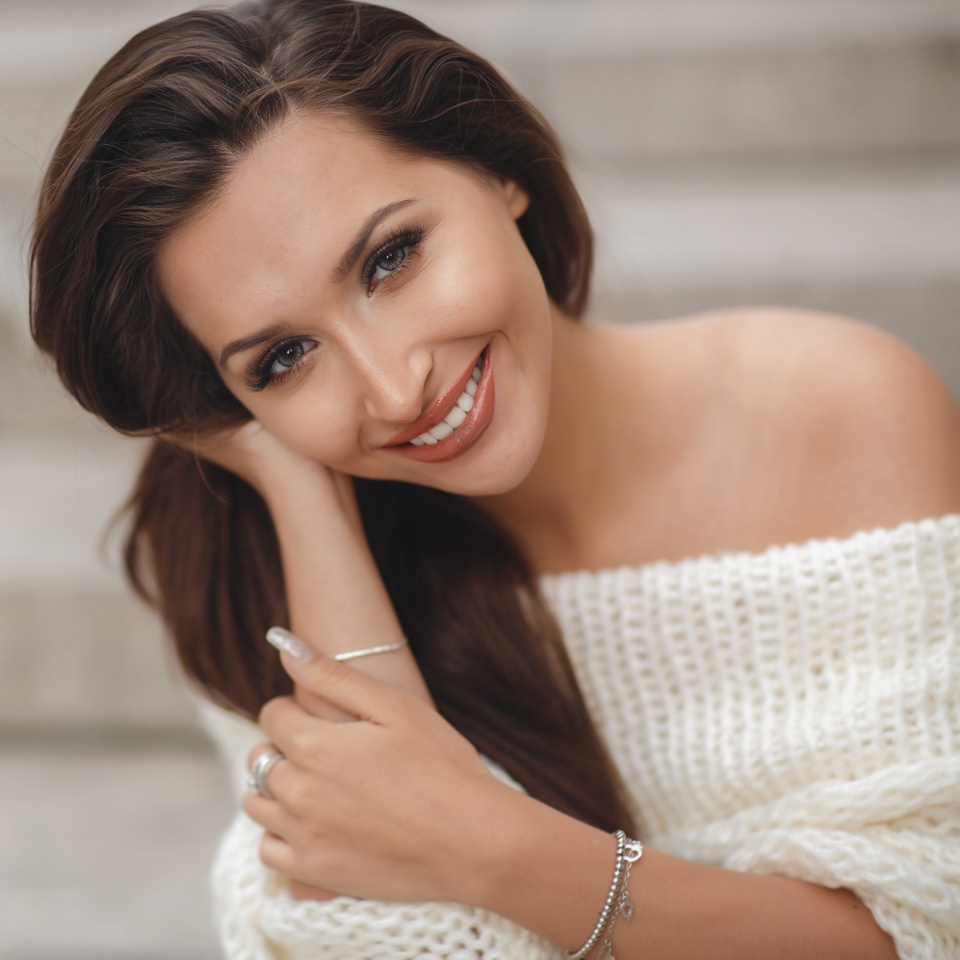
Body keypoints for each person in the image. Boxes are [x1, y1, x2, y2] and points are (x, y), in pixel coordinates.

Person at [29, 1, 960, 957]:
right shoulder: (257, 563)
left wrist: (479, 843)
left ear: (496, 166)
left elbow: (915, 933)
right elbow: (364, 939)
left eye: (391, 259)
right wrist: (299, 491)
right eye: (283, 358)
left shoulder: (839, 413)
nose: (394, 391)